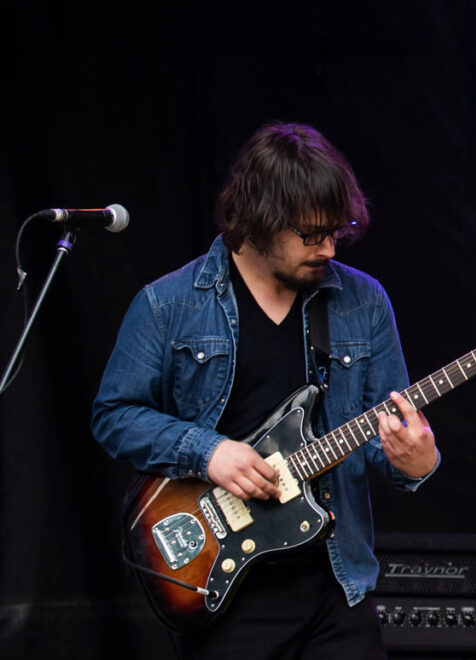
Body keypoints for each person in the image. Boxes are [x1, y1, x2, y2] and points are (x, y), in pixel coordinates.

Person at [93, 122, 439, 658]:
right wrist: (209, 452)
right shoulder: (169, 305)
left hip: (336, 582)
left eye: (336, 231)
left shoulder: (363, 302)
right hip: (229, 589)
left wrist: (416, 460)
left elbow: (385, 439)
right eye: (309, 235)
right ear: (259, 221)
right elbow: (114, 417)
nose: (327, 247)